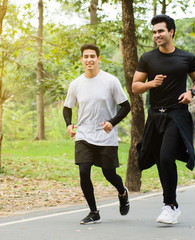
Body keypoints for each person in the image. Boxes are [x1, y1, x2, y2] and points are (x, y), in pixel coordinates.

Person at [132, 14, 195, 224]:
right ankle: (170, 204)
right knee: (159, 160)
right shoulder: (147, 58)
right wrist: (151, 84)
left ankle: (170, 205)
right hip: (155, 116)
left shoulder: (186, 57)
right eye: (154, 32)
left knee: (165, 157)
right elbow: (135, 86)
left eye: (161, 31)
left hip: (177, 115)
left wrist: (191, 92)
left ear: (171, 31)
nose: (157, 35)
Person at [63, 43, 131, 224]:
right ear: (82, 60)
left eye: (92, 56)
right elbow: (67, 108)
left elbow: (126, 106)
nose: (89, 59)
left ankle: (122, 191)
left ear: (98, 59)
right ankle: (94, 212)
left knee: (109, 173)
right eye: (86, 56)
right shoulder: (76, 84)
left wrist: (112, 123)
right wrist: (69, 125)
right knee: (84, 171)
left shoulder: (110, 81)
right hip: (84, 134)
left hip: (106, 135)